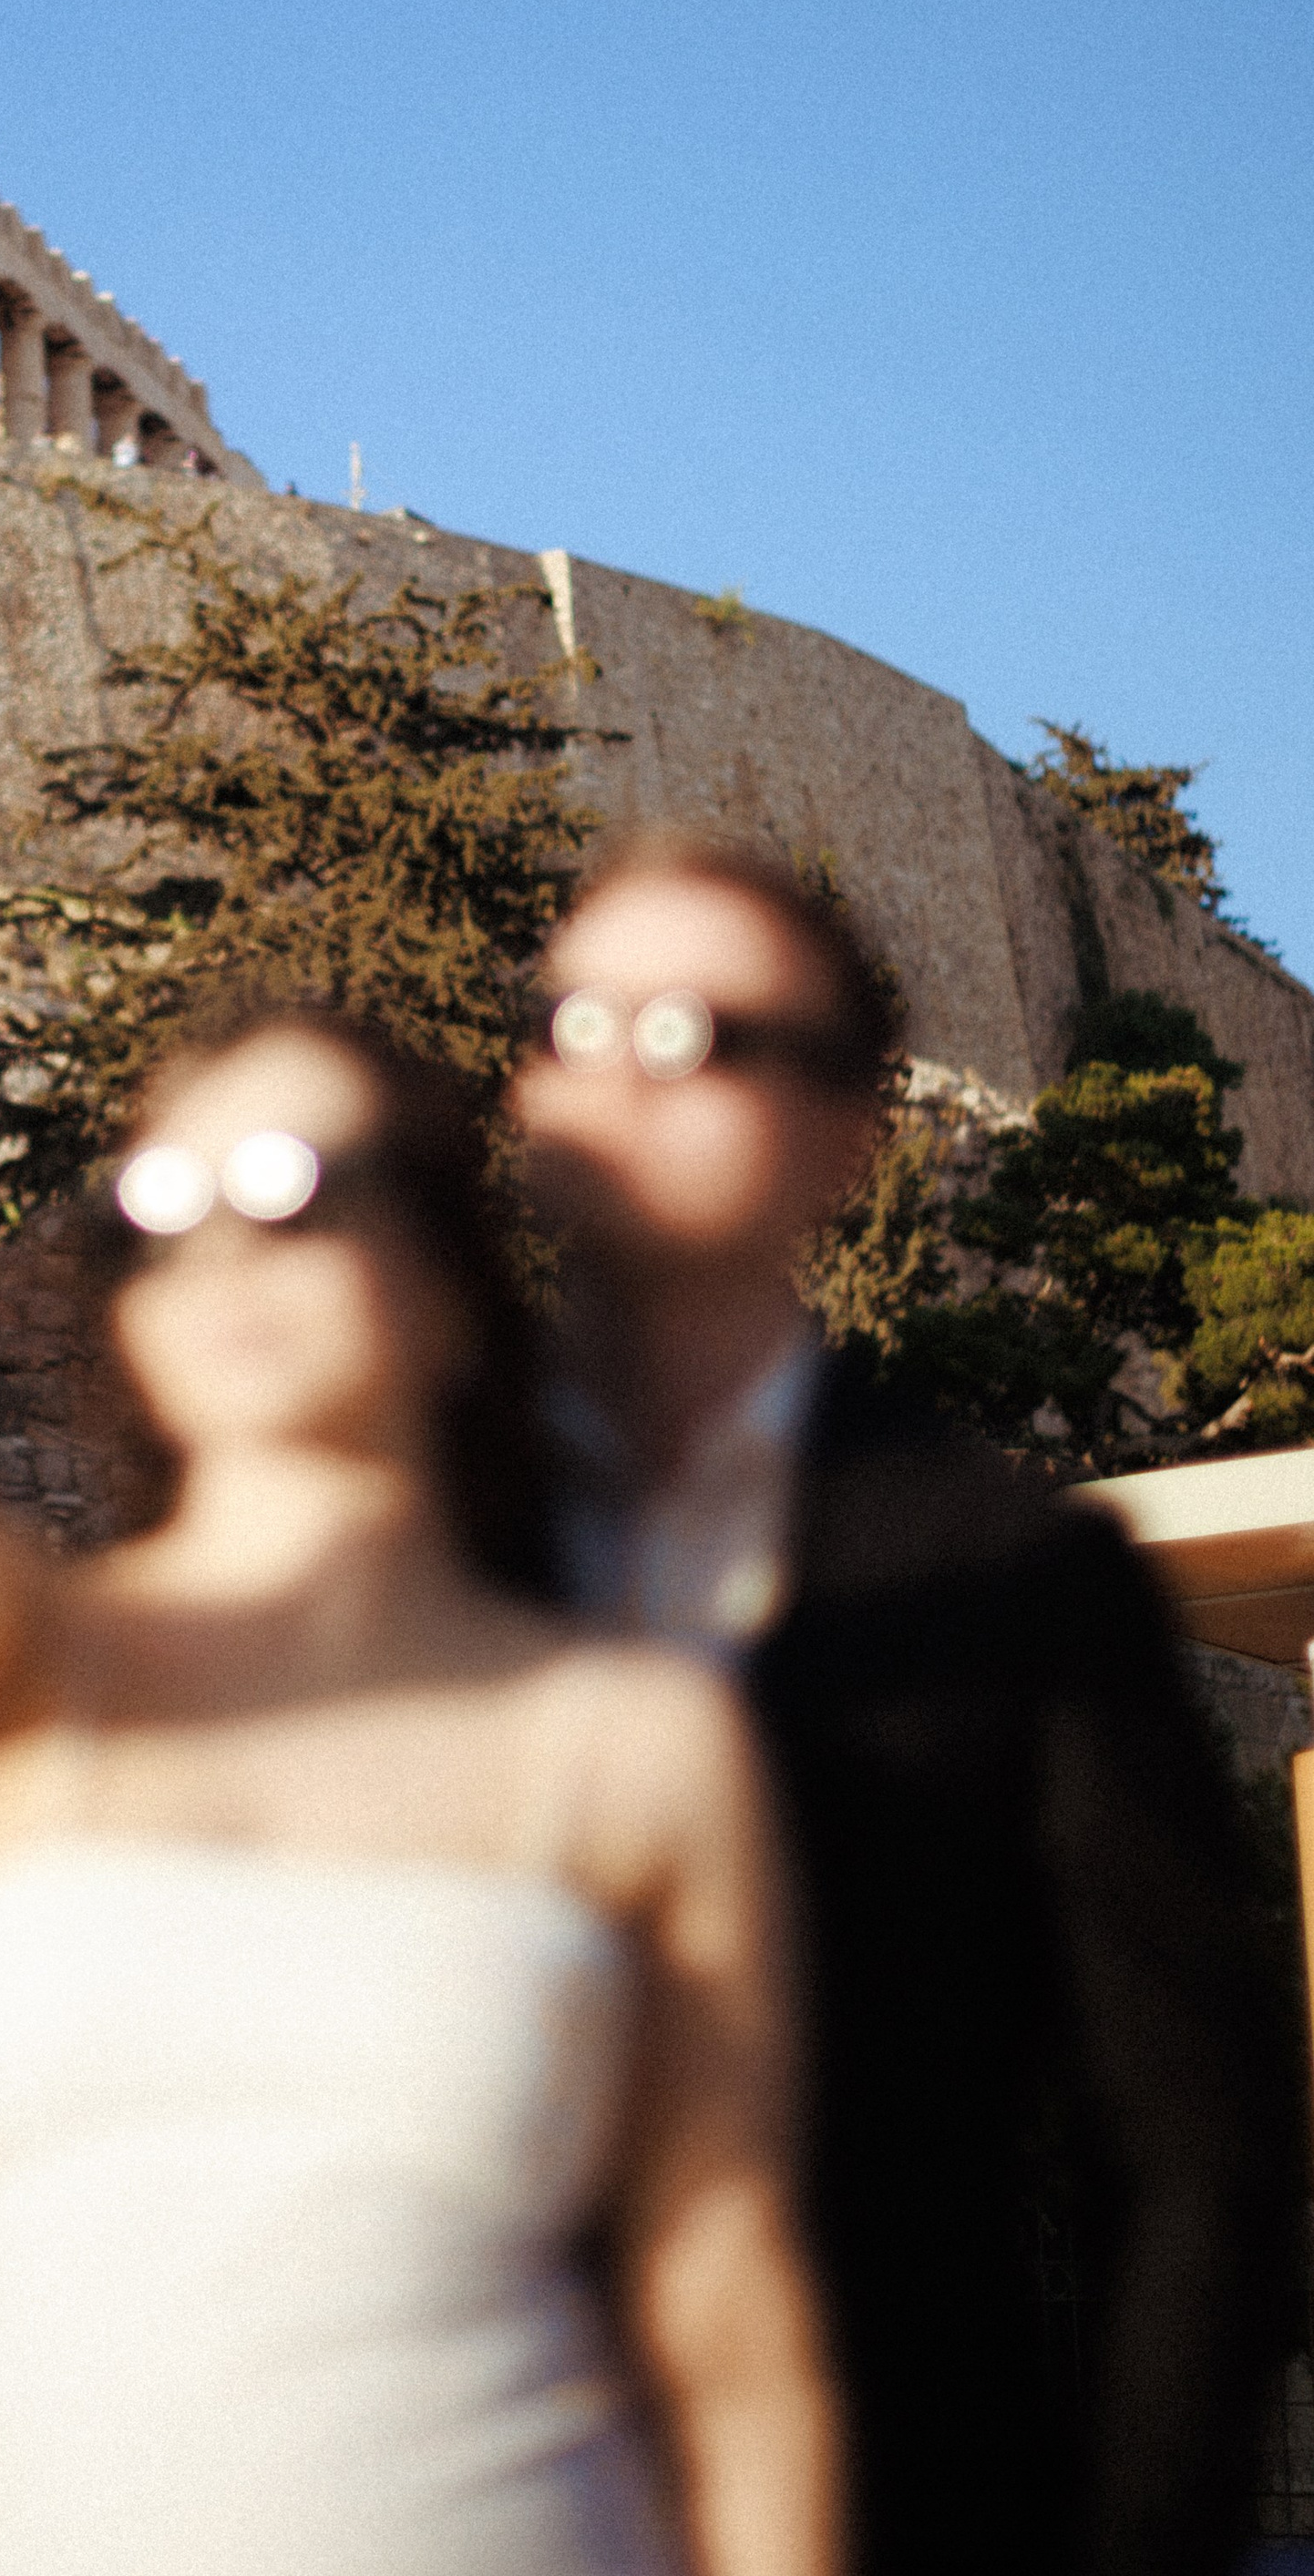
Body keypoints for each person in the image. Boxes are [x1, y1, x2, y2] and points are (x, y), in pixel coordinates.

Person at [0, 739, 845, 2576]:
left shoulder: (629, 1743)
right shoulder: (20, 1681)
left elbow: (730, 2319)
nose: (222, 1242)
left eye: (292, 1183)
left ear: (449, 1280)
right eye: (159, 1203)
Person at [507, 829, 1301, 2576]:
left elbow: (1191, 2155)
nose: (618, 1076)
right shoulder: (415, 1544)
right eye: (571, 1023)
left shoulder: (1025, 1580)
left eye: (693, 1035)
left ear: (848, 1130)